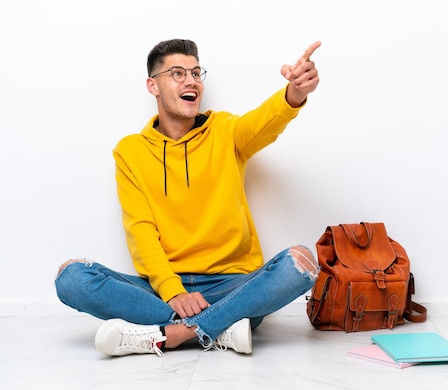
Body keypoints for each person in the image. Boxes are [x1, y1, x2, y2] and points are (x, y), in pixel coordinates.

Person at [55, 39, 321, 357]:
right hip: (162, 288)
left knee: (300, 264)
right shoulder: (131, 151)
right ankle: (219, 328)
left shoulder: (225, 130)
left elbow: (265, 121)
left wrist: (295, 93)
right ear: (153, 85)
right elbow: (140, 230)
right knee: (71, 277)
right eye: (178, 73)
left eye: (196, 72)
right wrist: (172, 290)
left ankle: (170, 334)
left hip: (232, 286)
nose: (191, 80)